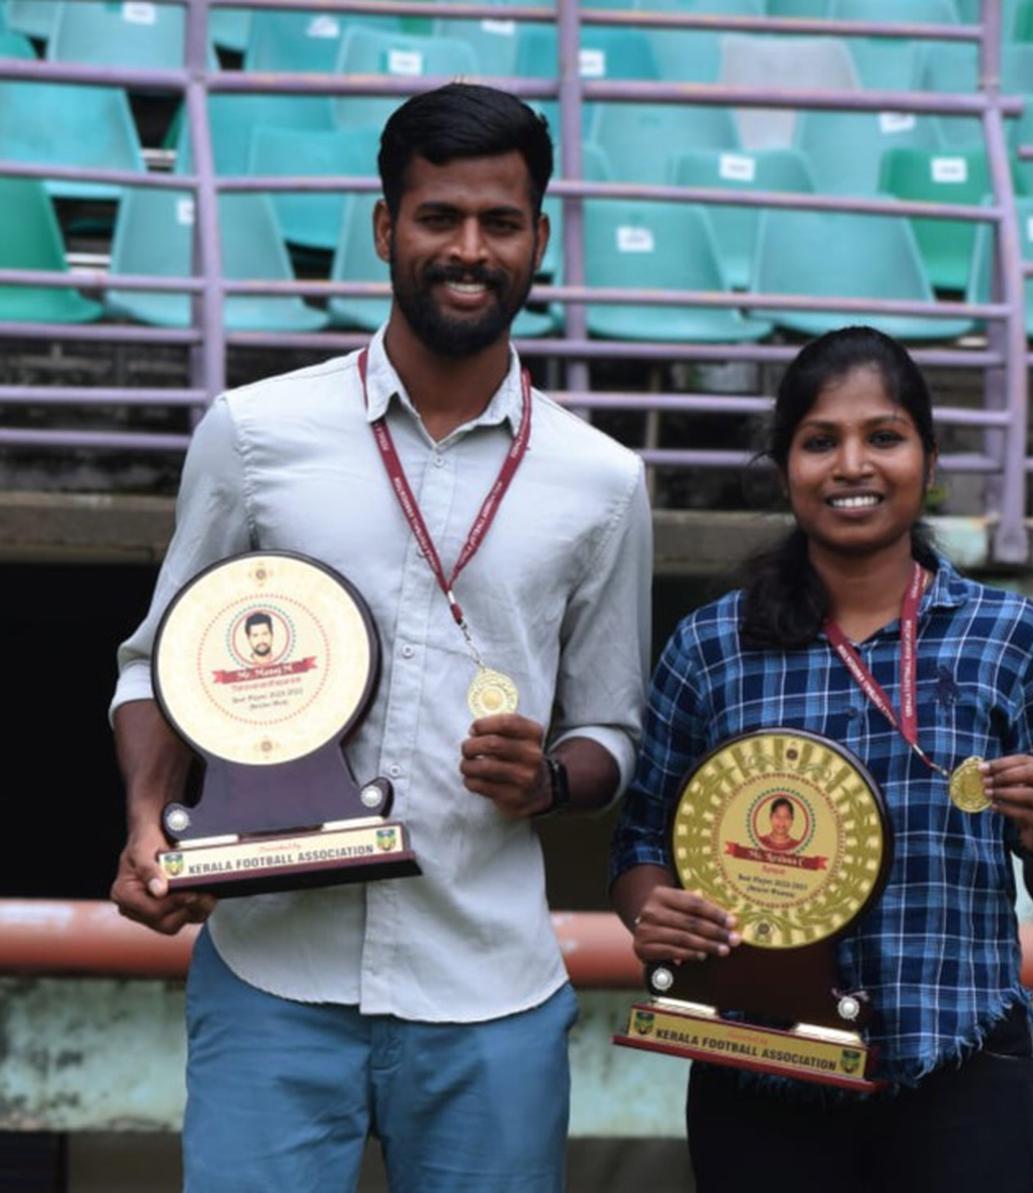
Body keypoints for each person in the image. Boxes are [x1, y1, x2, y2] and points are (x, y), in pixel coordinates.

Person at [110, 83, 651, 1193]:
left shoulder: (603, 481)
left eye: (500, 223)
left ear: (540, 238)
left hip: (489, 991)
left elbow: (612, 727)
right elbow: (158, 661)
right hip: (271, 973)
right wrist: (145, 824)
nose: (469, 248)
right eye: (438, 217)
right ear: (383, 228)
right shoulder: (256, 435)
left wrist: (547, 776)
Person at [610, 326, 1033, 1192]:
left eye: (883, 436)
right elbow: (641, 844)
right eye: (820, 441)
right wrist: (656, 913)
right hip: (760, 1068)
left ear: (928, 454)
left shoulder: (1010, 636)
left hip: (959, 1068)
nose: (852, 465)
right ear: (783, 466)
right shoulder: (711, 645)